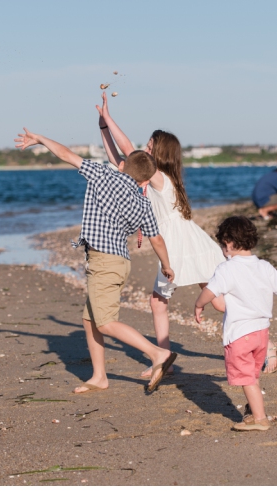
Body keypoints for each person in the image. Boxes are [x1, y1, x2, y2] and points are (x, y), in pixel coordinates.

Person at [14, 126, 177, 393]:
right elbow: (156, 238)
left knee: (105, 322)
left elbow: (66, 154)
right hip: (118, 263)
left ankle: (156, 353)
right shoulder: (144, 203)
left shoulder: (103, 175)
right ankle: (99, 376)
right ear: (145, 181)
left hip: (104, 262)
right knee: (90, 320)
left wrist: (41, 138)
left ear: (122, 166)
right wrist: (167, 266)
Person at [96, 93, 226, 379]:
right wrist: (103, 128)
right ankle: (164, 358)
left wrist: (109, 117)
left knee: (173, 302)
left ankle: (164, 358)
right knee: (212, 301)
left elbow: (128, 150)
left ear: (159, 151)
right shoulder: (159, 177)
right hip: (189, 242)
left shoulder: (160, 178)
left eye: (149, 145)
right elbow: (119, 159)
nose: (144, 148)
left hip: (179, 245)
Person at [195, 215, 277, 432]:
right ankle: (254, 410)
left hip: (240, 334)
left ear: (228, 244)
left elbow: (210, 292)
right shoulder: (264, 266)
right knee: (252, 375)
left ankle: (260, 418)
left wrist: (198, 304)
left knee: (247, 379)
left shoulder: (227, 269)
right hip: (261, 334)